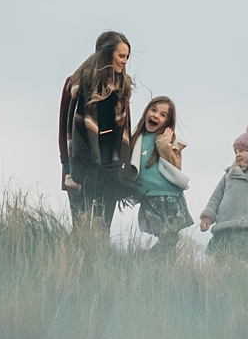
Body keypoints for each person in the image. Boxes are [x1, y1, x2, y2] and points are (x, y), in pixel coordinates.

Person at [58, 31, 134, 234]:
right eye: (121, 56)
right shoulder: (75, 83)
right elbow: (64, 130)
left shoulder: (121, 87)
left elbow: (125, 129)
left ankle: (100, 265)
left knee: (102, 231)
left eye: (127, 57)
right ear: (107, 54)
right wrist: (67, 171)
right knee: (81, 229)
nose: (124, 62)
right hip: (80, 167)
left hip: (109, 168)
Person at [199, 123, 248, 262]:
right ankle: (215, 284)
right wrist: (208, 217)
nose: (237, 154)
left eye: (241, 151)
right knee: (218, 260)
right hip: (224, 225)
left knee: (238, 262)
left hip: (247, 227)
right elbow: (216, 197)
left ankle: (240, 283)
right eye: (235, 151)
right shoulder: (229, 174)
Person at [134, 96, 194, 252]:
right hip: (149, 197)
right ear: (146, 111)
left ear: (168, 122)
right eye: (153, 110)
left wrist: (163, 145)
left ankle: (153, 265)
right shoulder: (136, 139)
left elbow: (175, 166)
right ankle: (150, 264)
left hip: (171, 197)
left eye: (162, 115)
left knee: (170, 239)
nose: (155, 116)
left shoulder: (170, 140)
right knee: (164, 238)